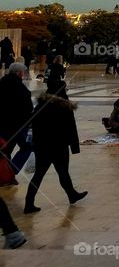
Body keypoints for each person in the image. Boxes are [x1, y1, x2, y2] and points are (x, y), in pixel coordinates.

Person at [23, 85, 87, 214]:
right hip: (59, 146)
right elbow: (71, 129)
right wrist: (74, 147)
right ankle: (72, 195)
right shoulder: (65, 107)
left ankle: (29, 203)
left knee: (39, 175)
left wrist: (36, 143)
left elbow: (33, 126)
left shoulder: (39, 106)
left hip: (42, 146)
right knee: (63, 172)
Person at [0, 63, 34, 175]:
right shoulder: (21, 88)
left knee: (6, 149)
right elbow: (28, 108)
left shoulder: (2, 83)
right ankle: (12, 170)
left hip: (3, 124)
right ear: (19, 73)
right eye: (23, 72)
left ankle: (6, 173)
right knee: (27, 147)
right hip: (18, 125)